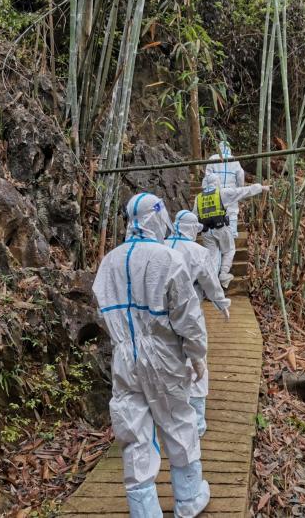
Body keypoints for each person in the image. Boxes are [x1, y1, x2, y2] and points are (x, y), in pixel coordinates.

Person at [93, 193, 210, 518]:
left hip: (123, 355)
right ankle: (188, 499)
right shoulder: (167, 259)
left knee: (133, 430)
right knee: (178, 421)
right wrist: (196, 354)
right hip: (164, 355)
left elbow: (102, 309)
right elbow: (187, 316)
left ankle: (144, 511)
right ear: (157, 217)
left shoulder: (109, 262)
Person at [165, 210, 231, 437]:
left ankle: (172, 415)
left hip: (159, 315)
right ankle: (197, 422)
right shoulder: (198, 252)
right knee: (196, 358)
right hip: (189, 311)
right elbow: (210, 282)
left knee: (169, 358)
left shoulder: (160, 246)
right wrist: (221, 303)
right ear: (193, 229)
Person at [194, 173, 269, 288]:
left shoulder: (198, 197)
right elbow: (242, 191)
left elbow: (194, 216)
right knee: (229, 250)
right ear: (217, 182)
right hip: (221, 228)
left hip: (206, 231)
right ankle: (223, 274)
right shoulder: (222, 193)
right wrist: (261, 187)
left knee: (212, 256)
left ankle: (211, 283)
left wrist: (198, 229)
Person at [204, 140, 245, 237]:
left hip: (216, 190)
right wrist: (240, 188)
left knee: (215, 211)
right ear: (229, 149)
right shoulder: (234, 160)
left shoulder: (212, 158)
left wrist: (208, 189)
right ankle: (233, 233)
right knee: (232, 212)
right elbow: (240, 175)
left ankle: (216, 232)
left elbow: (208, 176)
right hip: (231, 189)